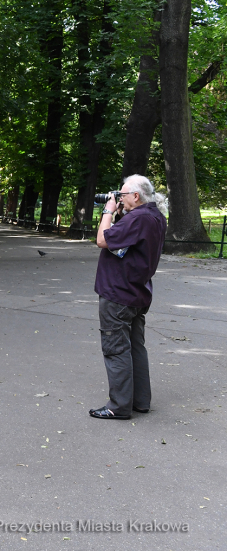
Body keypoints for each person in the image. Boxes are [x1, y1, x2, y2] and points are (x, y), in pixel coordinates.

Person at [89, 175, 167, 420]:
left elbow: (102, 239)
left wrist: (108, 211)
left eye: (122, 194)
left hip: (118, 293)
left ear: (136, 196)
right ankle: (140, 401)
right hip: (138, 292)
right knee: (135, 347)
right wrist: (121, 212)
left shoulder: (138, 218)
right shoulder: (155, 217)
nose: (118, 198)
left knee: (116, 349)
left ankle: (119, 406)